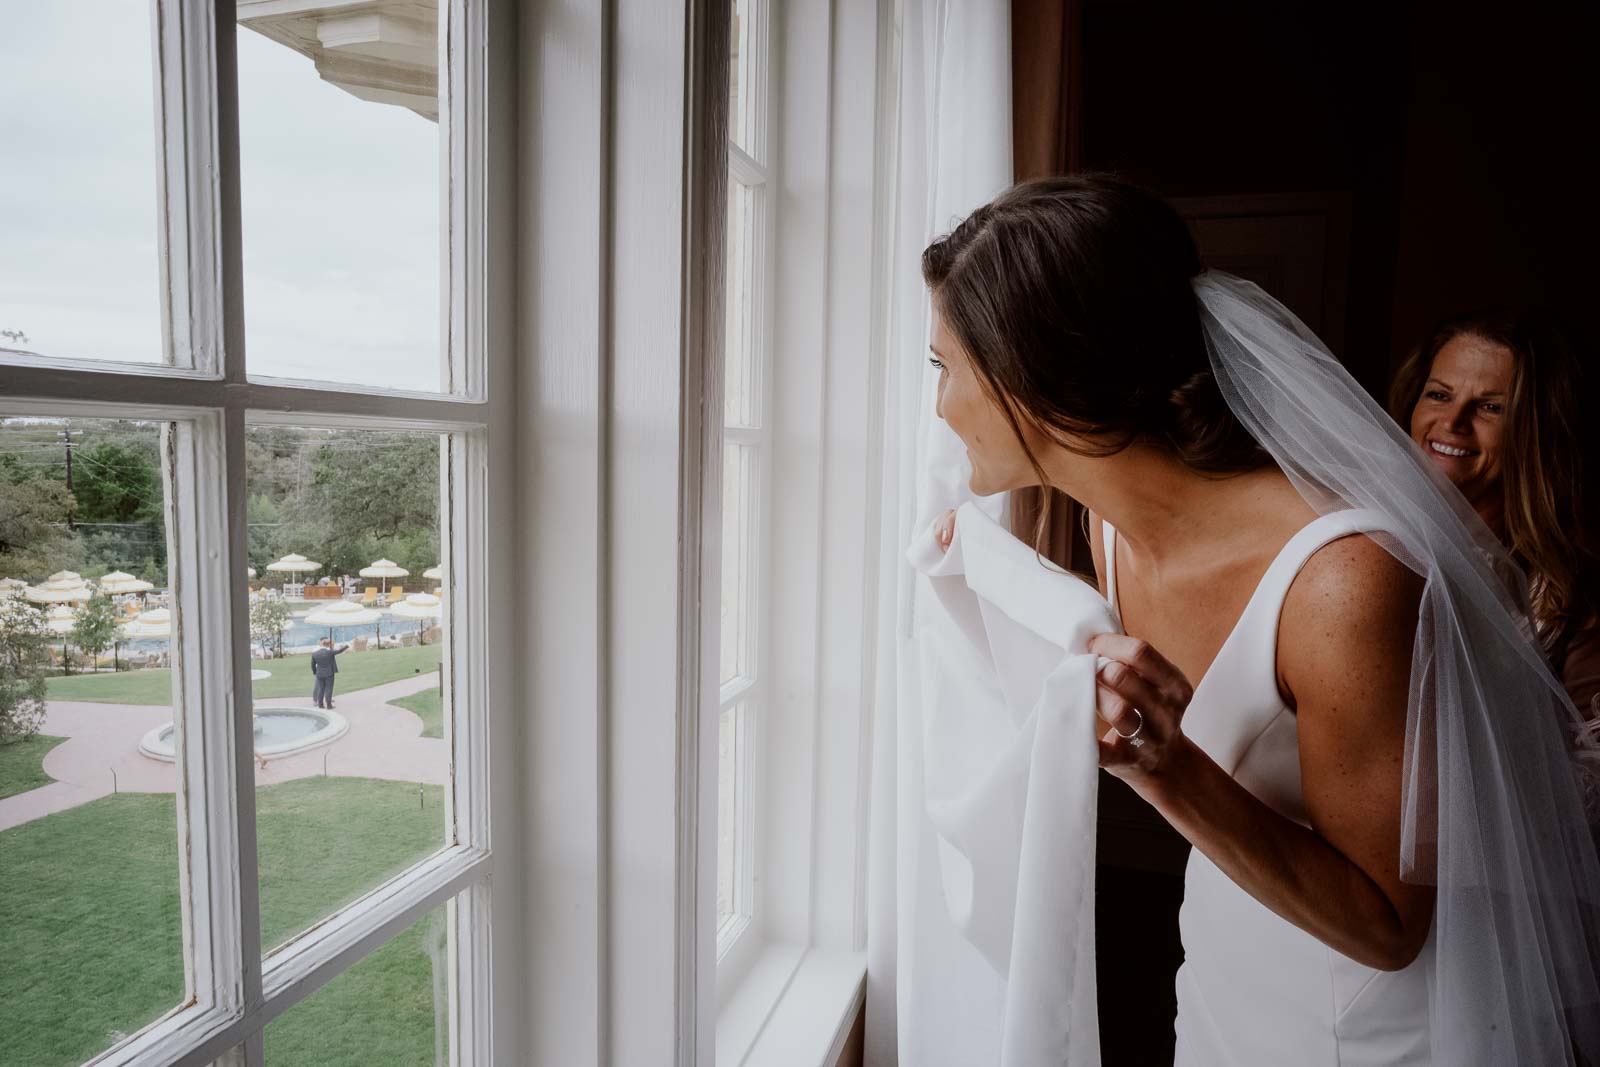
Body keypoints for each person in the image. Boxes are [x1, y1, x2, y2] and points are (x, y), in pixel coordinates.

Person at [921, 175, 1599, 1064]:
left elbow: (1391, 925)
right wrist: (1011, 588)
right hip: (1224, 972)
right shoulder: (1108, 527)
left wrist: (1164, 769)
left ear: (1035, 375)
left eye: (946, 368)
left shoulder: (1343, 581)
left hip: (1368, 1022)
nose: (939, 405)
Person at [1390, 312, 1600, 762]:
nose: (1453, 421)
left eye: (1491, 407)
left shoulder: (1571, 593)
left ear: (1537, 430)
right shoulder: (1360, 537)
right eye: (1439, 395)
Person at [310, 637, 349, 709]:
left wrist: (315, 672)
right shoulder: (330, 652)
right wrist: (346, 646)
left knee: (321, 689)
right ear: (328, 645)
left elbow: (312, 665)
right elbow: (340, 651)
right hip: (329, 674)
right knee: (329, 689)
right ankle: (329, 705)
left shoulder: (315, 654)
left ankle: (320, 705)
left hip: (319, 674)